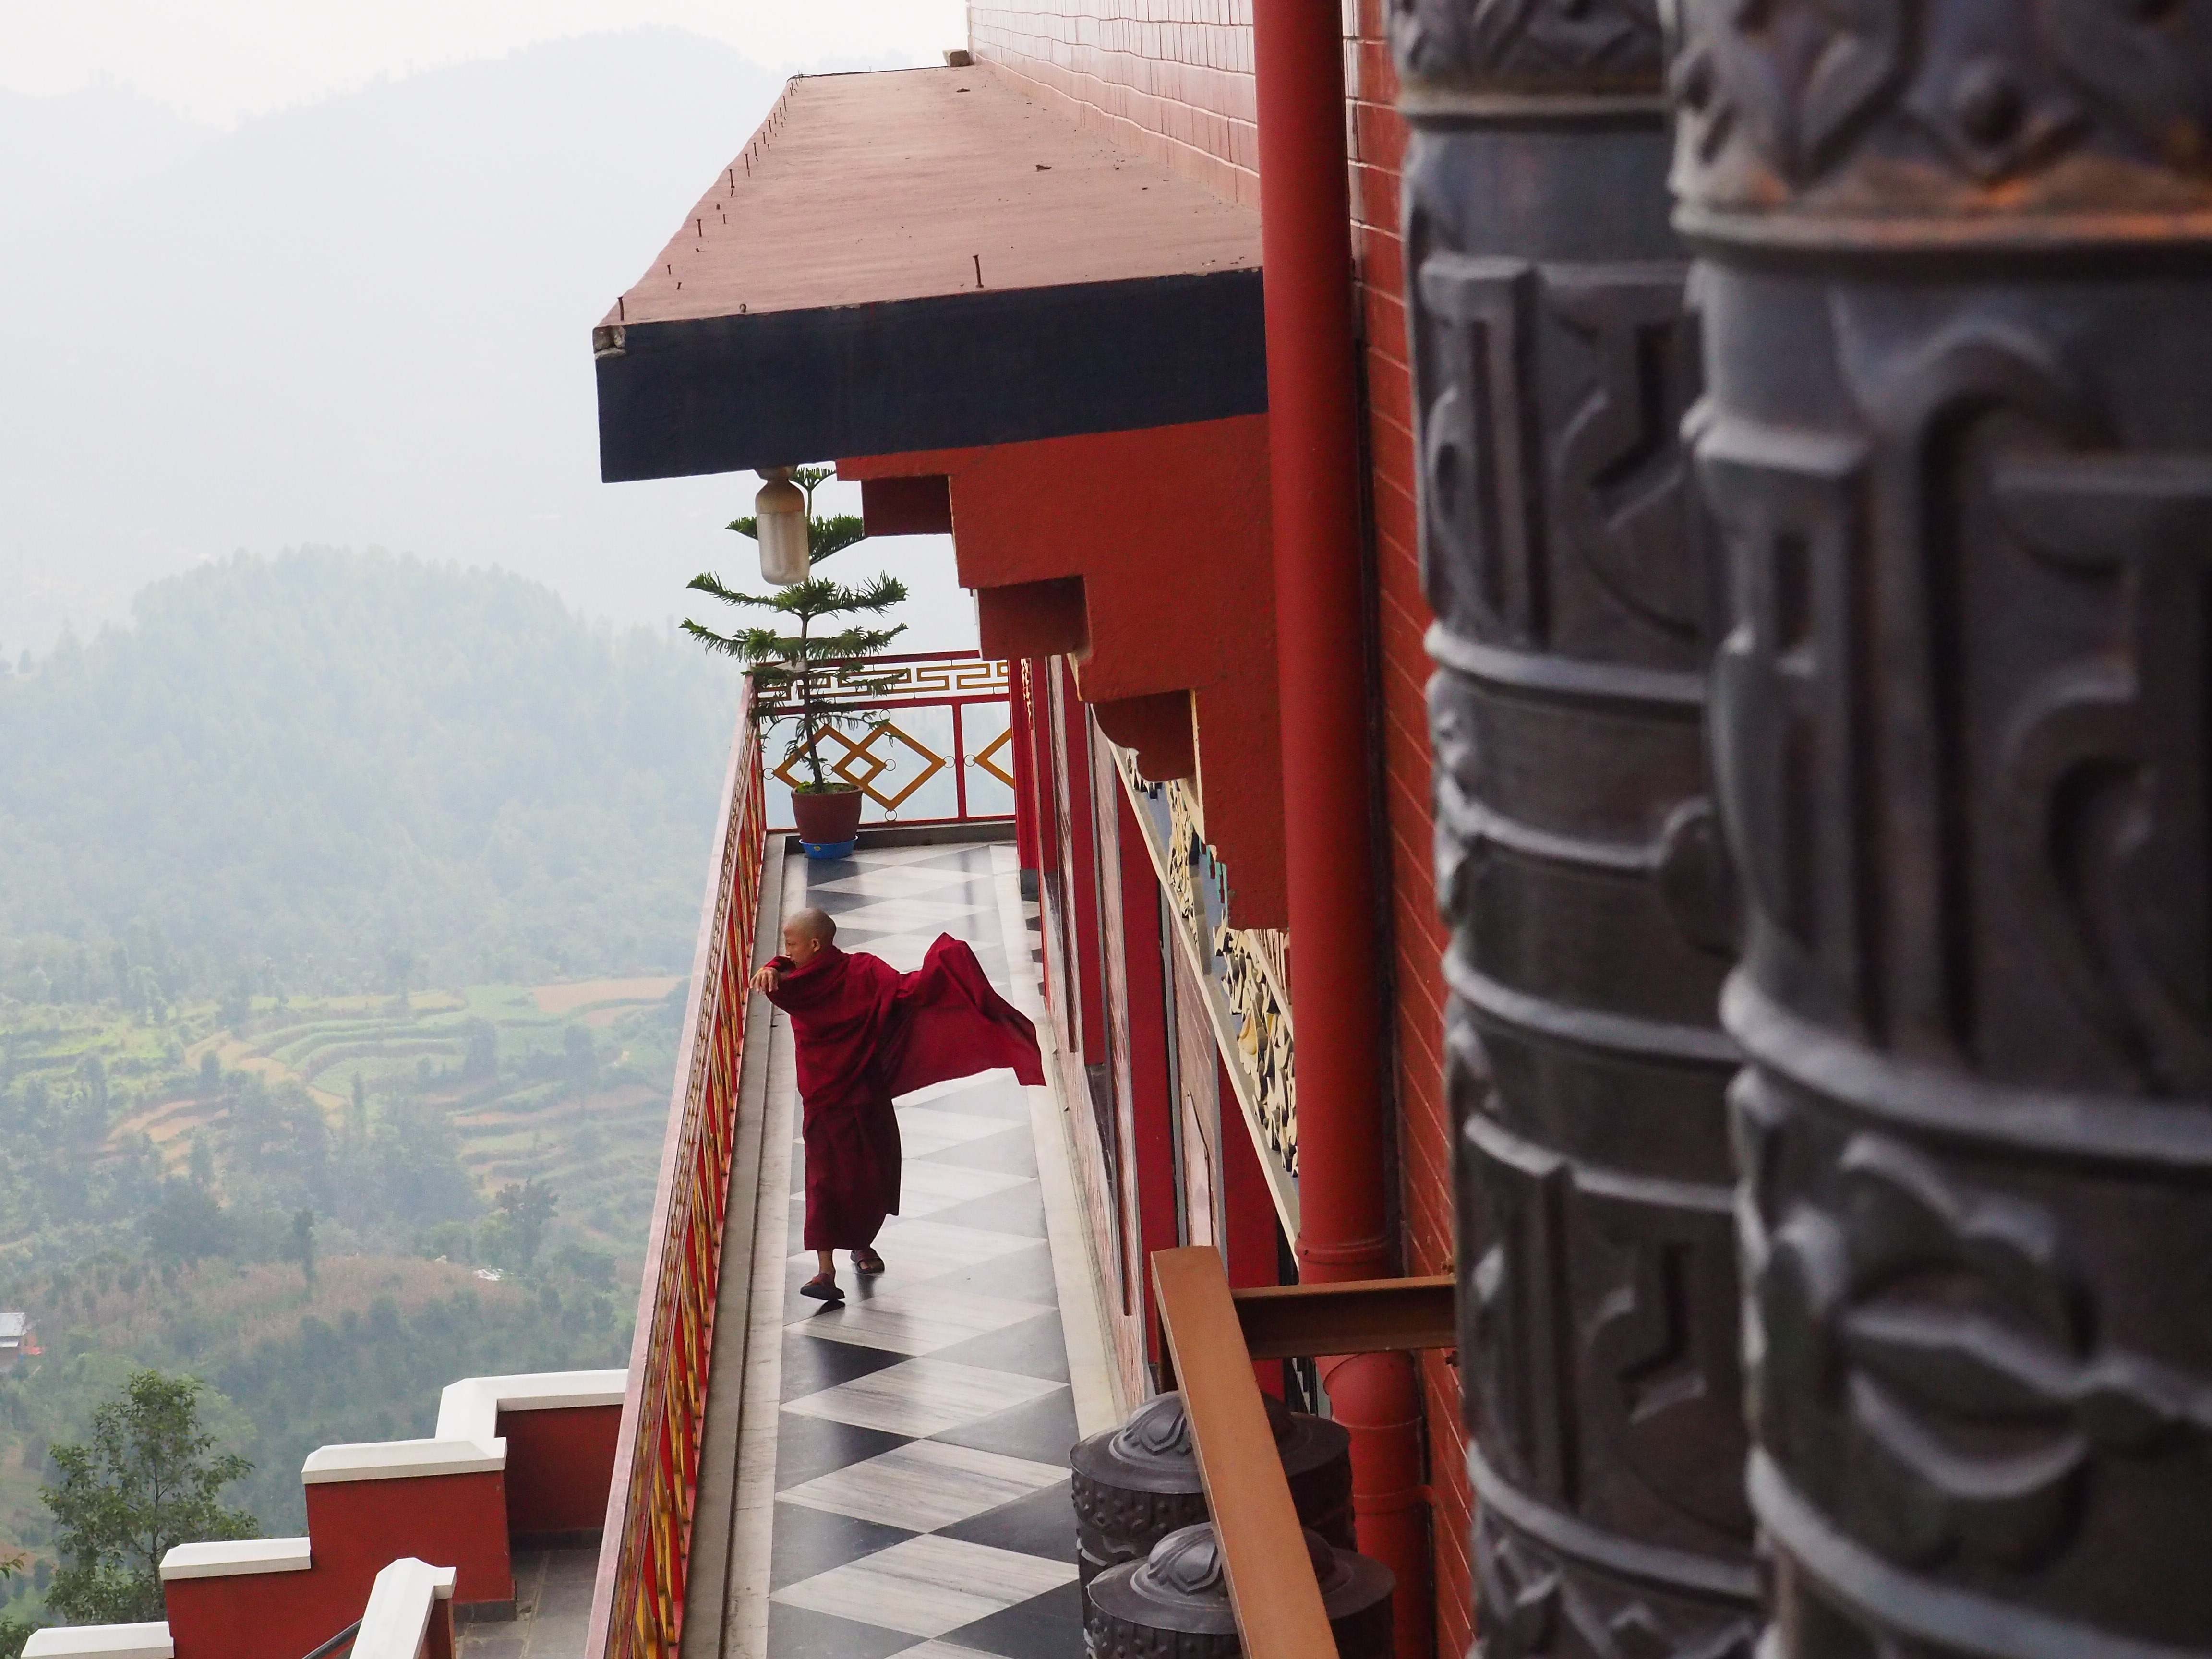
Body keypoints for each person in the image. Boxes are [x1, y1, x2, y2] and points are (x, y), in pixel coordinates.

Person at [752, 905, 1045, 1303]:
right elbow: (783, 973)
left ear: (816, 944)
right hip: (824, 1098)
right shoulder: (799, 982)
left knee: (871, 1174)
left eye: (791, 943)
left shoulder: (862, 972)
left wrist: (947, 965)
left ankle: (862, 1244)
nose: (785, 951)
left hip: (865, 1093)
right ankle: (824, 1271)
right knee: (823, 1180)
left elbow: (906, 992)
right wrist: (772, 964)